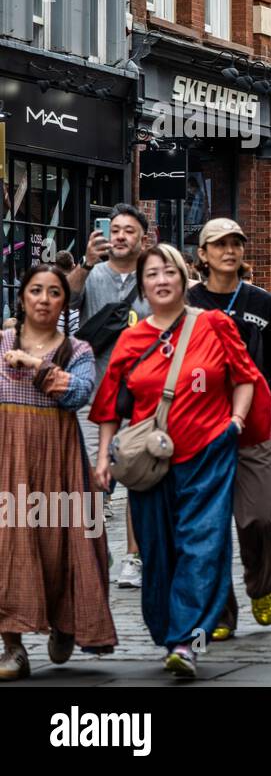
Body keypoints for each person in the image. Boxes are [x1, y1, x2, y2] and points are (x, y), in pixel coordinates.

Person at [91, 244, 271, 678]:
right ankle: (169, 629)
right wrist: (102, 458)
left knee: (203, 545)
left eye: (169, 271)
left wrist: (234, 422)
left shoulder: (214, 324)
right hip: (147, 461)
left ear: (184, 277)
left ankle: (187, 638)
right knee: (156, 550)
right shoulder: (131, 339)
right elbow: (111, 406)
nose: (161, 280)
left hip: (208, 452)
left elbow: (245, 378)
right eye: (151, 274)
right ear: (142, 285)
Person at [189, 219, 271, 640]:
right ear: (202, 254)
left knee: (259, 516)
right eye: (219, 244)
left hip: (258, 425)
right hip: (201, 427)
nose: (229, 251)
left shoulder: (262, 304)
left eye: (236, 244)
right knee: (211, 524)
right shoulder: (189, 303)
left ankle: (259, 584)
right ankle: (221, 612)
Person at [1, 265, 117, 681]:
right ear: (22, 298)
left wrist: (35, 363)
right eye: (36, 290)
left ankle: (65, 622)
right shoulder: (0, 345)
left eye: (54, 292)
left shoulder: (78, 350)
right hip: (7, 458)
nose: (44, 299)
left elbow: (79, 394)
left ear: (64, 303)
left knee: (59, 548)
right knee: (8, 547)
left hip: (60, 463)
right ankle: (12, 646)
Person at [68, 203, 153, 591]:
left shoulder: (154, 277)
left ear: (144, 239)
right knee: (92, 483)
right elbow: (66, 297)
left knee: (136, 480)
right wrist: (85, 263)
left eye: (128, 231)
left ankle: (135, 558)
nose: (119, 236)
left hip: (141, 397)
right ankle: (99, 554)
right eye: (114, 230)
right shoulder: (93, 273)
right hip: (96, 395)